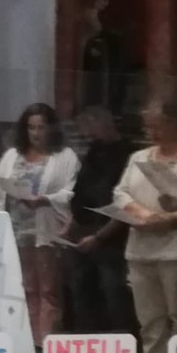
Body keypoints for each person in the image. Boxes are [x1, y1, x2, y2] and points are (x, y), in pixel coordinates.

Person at [0, 102, 78, 351]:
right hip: (16, 230)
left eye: (41, 127)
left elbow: (69, 191)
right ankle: (27, 344)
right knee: (24, 288)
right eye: (31, 127)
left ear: (51, 129)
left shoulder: (64, 156)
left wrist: (45, 199)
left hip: (46, 229)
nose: (36, 133)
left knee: (47, 289)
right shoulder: (12, 155)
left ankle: (47, 343)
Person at [113, 94, 177, 353]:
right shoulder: (138, 158)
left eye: (160, 126)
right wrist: (140, 213)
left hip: (175, 249)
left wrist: (169, 217)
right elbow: (120, 192)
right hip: (140, 247)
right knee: (149, 317)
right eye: (150, 126)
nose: (153, 132)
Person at [65, 106, 135, 335]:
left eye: (88, 128)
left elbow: (126, 203)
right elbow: (81, 191)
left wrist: (99, 236)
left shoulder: (128, 155)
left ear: (102, 122)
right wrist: (72, 223)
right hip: (84, 231)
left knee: (114, 292)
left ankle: (123, 345)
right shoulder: (92, 152)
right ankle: (86, 341)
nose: (86, 135)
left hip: (113, 235)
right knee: (81, 290)